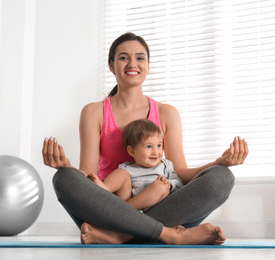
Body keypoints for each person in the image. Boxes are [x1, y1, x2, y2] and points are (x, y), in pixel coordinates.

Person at [43, 32, 249, 245]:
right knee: (63, 179)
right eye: (123, 57)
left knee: (222, 177)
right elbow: (89, 175)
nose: (132, 63)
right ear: (112, 65)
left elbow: (179, 172)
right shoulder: (94, 112)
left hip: (158, 207)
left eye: (140, 58)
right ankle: (169, 234)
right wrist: (66, 166)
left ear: (148, 66)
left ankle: (119, 236)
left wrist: (219, 163)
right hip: (109, 209)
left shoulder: (167, 113)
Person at [87, 119, 184, 211]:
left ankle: (123, 210)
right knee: (121, 173)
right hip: (128, 201)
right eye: (149, 146)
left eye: (159, 145)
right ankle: (105, 188)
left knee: (161, 186)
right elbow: (119, 187)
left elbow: (180, 184)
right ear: (132, 151)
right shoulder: (126, 168)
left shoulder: (165, 165)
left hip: (152, 209)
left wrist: (169, 184)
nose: (156, 152)